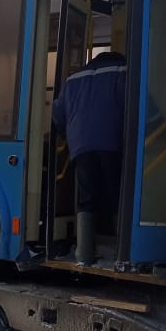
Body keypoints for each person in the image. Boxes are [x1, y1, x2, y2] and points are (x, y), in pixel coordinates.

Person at [52, 49, 126, 265]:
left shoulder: (74, 77)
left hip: (80, 146)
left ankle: (84, 254)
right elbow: (142, 107)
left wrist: (68, 135)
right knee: (116, 196)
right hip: (112, 142)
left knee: (87, 197)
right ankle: (122, 253)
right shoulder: (123, 70)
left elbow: (58, 114)